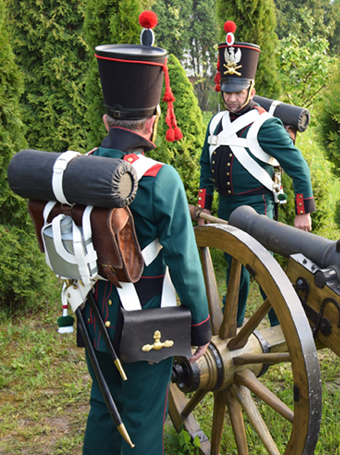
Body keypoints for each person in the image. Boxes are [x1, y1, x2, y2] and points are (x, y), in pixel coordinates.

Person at [81, 11, 211, 454]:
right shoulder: (162, 178)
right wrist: (200, 327)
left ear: (106, 120)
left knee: (104, 409)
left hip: (96, 314)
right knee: (140, 418)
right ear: (153, 120)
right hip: (147, 323)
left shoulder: (82, 167)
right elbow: (186, 264)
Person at [196, 21, 316, 327]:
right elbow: (206, 167)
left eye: (238, 91)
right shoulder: (215, 123)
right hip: (225, 206)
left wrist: (303, 212)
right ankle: (231, 328)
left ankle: (285, 328)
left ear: (251, 88)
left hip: (258, 207)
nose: (232, 98)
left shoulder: (266, 126)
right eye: (227, 91)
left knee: (264, 272)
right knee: (233, 269)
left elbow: (298, 166)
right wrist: (205, 205)